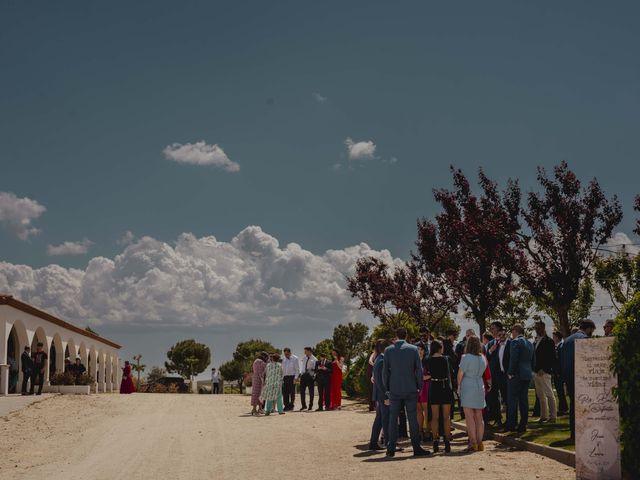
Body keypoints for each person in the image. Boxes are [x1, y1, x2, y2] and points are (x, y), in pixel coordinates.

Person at [382, 327, 430, 457]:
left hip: (394, 389)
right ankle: (416, 447)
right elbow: (419, 370)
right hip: (410, 388)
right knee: (413, 418)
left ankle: (390, 447)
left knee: (393, 419)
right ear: (406, 335)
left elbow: (385, 372)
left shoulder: (388, 350)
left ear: (396, 335)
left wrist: (387, 389)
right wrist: (419, 385)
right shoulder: (413, 349)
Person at [562, 319, 596, 439]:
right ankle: (583, 432)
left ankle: (573, 433)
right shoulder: (584, 339)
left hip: (568, 376)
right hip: (581, 377)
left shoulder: (567, 340)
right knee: (584, 405)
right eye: (592, 330)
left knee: (573, 405)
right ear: (589, 328)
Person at [458, 336, 487, 452]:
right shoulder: (483, 358)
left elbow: (460, 374)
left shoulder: (466, 357)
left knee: (469, 416)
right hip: (479, 385)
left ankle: (473, 442)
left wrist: (458, 386)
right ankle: (480, 443)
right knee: (479, 416)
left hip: (468, 385)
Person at [505, 324, 534, 434]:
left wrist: (510, 372)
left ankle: (512, 424)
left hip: (516, 374)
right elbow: (533, 359)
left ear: (515, 331)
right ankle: (523, 424)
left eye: (512, 331)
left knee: (512, 399)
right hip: (527, 373)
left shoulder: (515, 342)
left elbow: (514, 359)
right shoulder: (530, 343)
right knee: (524, 400)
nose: (512, 334)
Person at [427, 340, 454, 453]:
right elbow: (450, 372)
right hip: (445, 386)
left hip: (434, 386)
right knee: (446, 417)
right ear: (440, 347)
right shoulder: (446, 359)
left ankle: (435, 441)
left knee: (435, 417)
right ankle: (447, 442)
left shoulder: (428, 360)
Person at [369, 339, 392, 451]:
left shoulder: (378, 358)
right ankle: (389, 444)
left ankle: (373, 442)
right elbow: (382, 381)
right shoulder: (382, 360)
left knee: (379, 419)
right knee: (386, 420)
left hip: (379, 395)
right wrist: (387, 396)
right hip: (383, 395)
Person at [533, 321, 557, 423]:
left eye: (538, 328)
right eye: (536, 328)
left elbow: (551, 357)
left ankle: (553, 416)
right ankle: (543, 416)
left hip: (544, 372)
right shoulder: (535, 341)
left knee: (549, 394)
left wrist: (544, 368)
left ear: (543, 328)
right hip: (535, 371)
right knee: (540, 395)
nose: (537, 330)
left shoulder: (549, 341)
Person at [486, 321, 505, 427]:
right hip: (493, 375)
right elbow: (486, 358)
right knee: (493, 398)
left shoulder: (506, 341)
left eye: (493, 328)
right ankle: (498, 419)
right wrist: (489, 351)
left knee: (506, 397)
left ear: (498, 329)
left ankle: (511, 420)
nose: (491, 330)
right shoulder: (490, 343)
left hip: (503, 374)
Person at [552, 331, 569, 416]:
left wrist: (559, 372)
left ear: (558, 337)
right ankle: (563, 407)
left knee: (561, 391)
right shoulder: (556, 347)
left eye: (554, 337)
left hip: (559, 373)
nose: (553, 339)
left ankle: (563, 408)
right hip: (555, 372)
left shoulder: (561, 347)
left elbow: (560, 361)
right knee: (559, 392)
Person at [416, 343, 430, 442]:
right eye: (418, 349)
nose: (420, 351)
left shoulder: (428, 362)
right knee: (418, 411)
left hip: (426, 388)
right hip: (416, 388)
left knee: (427, 411)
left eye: (422, 349)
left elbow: (431, 375)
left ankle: (428, 432)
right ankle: (420, 432)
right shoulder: (412, 362)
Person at [299, 347, 317, 411]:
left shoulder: (314, 359)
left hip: (310, 376)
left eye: (305, 351)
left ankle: (310, 406)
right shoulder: (304, 358)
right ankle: (303, 406)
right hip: (303, 376)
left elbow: (315, 369)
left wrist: (313, 376)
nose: (304, 352)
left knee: (311, 392)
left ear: (309, 351)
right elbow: (302, 367)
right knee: (302, 391)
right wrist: (301, 374)